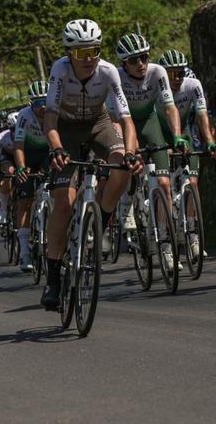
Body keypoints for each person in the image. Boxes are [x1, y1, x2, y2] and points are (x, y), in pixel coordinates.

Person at [40, 18, 143, 310]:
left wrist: (132, 153)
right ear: (68, 53)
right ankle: (53, 278)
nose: (88, 59)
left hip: (98, 123)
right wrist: (57, 147)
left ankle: (104, 220)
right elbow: (49, 118)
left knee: (122, 166)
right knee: (63, 203)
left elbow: (125, 120)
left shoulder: (109, 71)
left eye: (93, 51)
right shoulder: (59, 71)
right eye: (80, 53)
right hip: (67, 129)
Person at [113, 33, 189, 273]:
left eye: (144, 57)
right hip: (123, 122)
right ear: (124, 63)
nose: (141, 64)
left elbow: (169, 107)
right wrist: (126, 149)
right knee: (129, 163)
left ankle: (166, 242)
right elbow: (116, 120)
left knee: (165, 184)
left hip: (148, 122)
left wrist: (177, 136)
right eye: (134, 60)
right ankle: (126, 200)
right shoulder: (116, 77)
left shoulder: (158, 73)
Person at [157, 49, 216, 258]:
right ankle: (164, 237)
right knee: (163, 185)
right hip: (160, 134)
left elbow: (203, 115)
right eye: (171, 74)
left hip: (183, 133)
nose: (176, 79)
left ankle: (193, 233)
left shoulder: (193, 85)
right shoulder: (154, 85)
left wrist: (210, 142)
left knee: (192, 183)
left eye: (180, 73)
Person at [13, 80, 50, 272]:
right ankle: (25, 252)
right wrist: (20, 168)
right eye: (37, 103)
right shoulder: (24, 116)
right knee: (25, 201)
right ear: (31, 105)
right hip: (27, 154)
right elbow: (18, 145)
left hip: (47, 153)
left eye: (45, 101)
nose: (42, 107)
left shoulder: (56, 110)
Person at [0, 111, 17, 227]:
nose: (16, 132)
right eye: (13, 129)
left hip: (24, 155)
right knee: (9, 171)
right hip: (8, 157)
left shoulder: (29, 133)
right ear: (9, 128)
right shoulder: (1, 138)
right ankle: (3, 209)